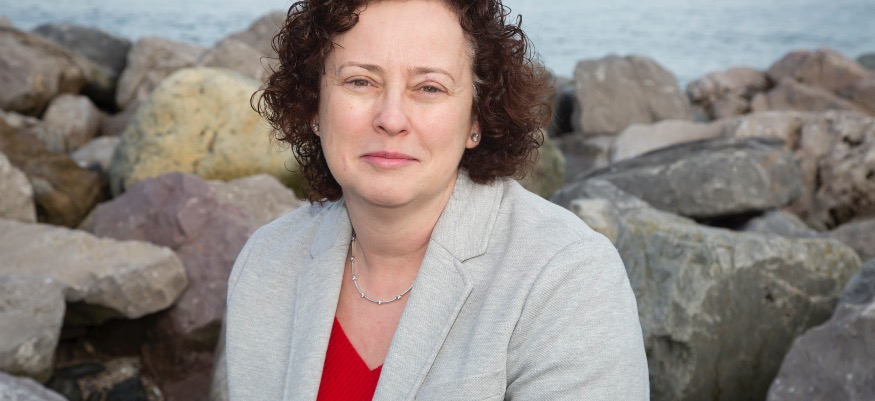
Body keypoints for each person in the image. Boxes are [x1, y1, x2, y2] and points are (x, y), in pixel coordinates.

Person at [222, 0, 649, 399]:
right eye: (360, 81)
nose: (391, 119)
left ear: (476, 119)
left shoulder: (567, 278)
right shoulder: (267, 262)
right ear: (315, 107)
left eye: (429, 88)